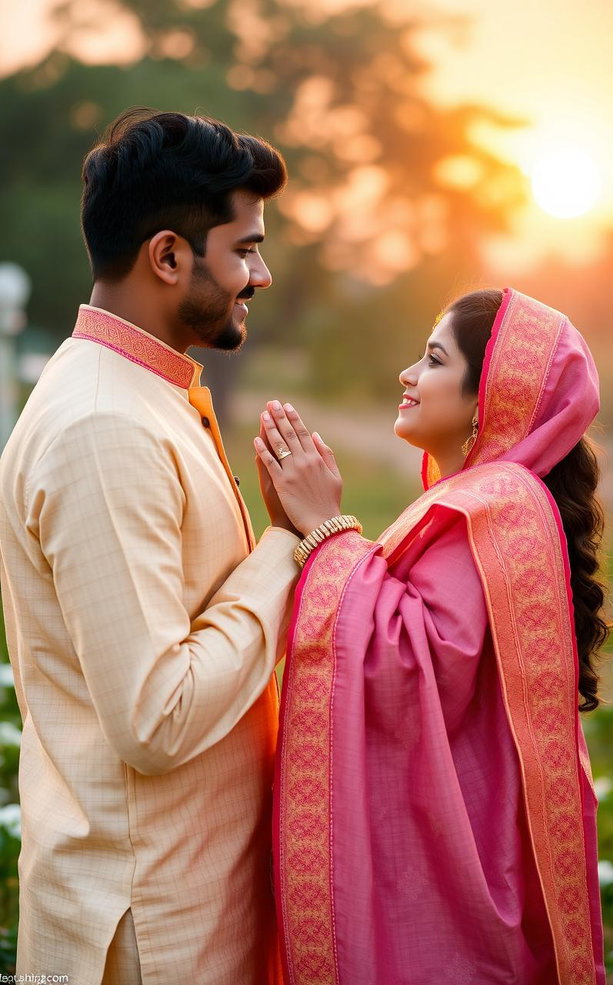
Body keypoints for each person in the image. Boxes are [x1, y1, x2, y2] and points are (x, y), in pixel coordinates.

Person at [0, 108, 302, 985]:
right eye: (243, 250)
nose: (263, 273)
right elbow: (156, 717)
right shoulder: (105, 424)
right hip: (151, 930)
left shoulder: (141, 394)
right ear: (168, 257)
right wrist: (286, 545)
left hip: (183, 902)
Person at [254, 287, 608, 984]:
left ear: (490, 397)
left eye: (434, 359)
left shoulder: (497, 506)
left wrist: (325, 530)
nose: (407, 376)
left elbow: (407, 661)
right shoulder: (477, 503)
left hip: (465, 868)